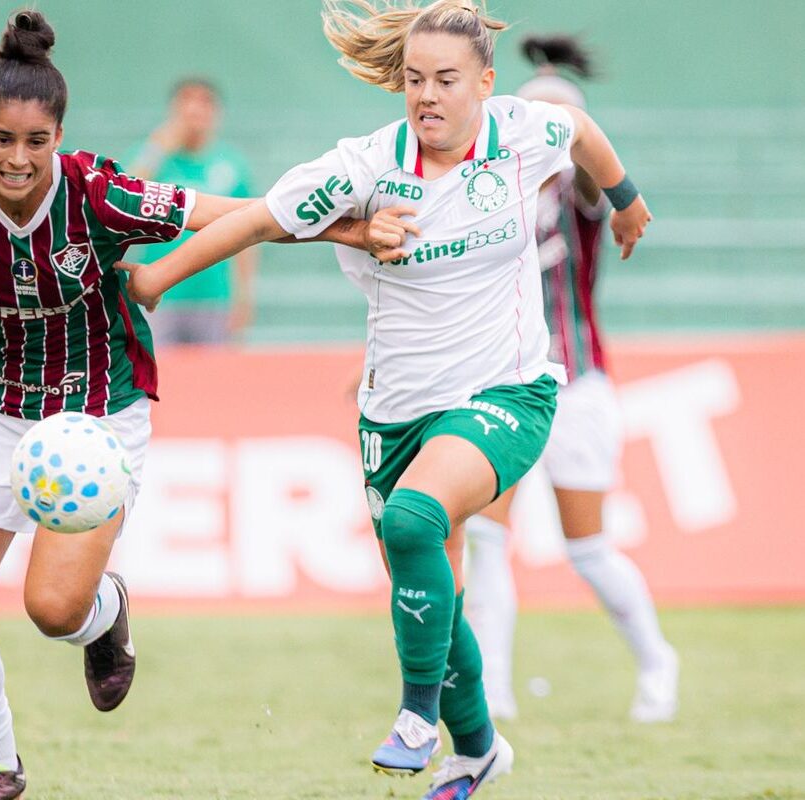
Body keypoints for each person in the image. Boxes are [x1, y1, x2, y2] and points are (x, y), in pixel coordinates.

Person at [0, 11, 377, 799]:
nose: (18, 158)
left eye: (35, 142)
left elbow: (230, 214)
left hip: (97, 413)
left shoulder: (97, 192)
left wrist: (350, 231)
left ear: (59, 138)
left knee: (53, 608)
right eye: (2, 139)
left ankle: (106, 616)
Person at [115, 2, 651, 797]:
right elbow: (258, 222)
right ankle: (478, 751)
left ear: (485, 83)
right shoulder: (365, 168)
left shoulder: (521, 130)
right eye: (414, 80)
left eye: (446, 80)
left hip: (509, 391)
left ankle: (417, 715)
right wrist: (156, 279)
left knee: (412, 519)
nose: (427, 95)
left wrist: (626, 199)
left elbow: (581, 133)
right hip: (394, 413)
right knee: (438, 591)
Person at [464, 34, 679, 724]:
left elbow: (592, 174)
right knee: (486, 540)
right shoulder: (485, 194)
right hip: (503, 384)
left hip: (576, 384)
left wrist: (581, 141)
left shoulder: (581, 192)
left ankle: (657, 661)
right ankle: (492, 692)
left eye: (557, 121)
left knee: (587, 550)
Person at [126, 78, 258, 345]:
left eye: (204, 102)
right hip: (160, 295)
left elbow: (250, 234)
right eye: (186, 101)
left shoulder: (232, 165)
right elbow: (124, 201)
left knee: (215, 370)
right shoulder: (151, 159)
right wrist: (157, 149)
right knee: (157, 368)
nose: (194, 110)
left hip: (215, 298)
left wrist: (243, 299)